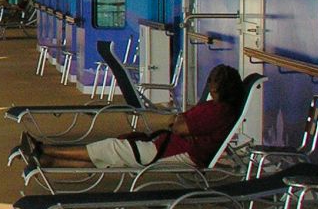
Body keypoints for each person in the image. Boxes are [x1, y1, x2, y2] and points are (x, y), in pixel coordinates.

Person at [24, 64, 243, 169]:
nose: (211, 88)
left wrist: (178, 121)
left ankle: (46, 149)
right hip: (169, 145)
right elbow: (179, 123)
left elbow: (179, 126)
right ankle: (50, 160)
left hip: (179, 152)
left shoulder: (219, 111)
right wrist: (177, 121)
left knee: (111, 148)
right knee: (115, 150)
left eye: (214, 85)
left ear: (224, 88)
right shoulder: (216, 107)